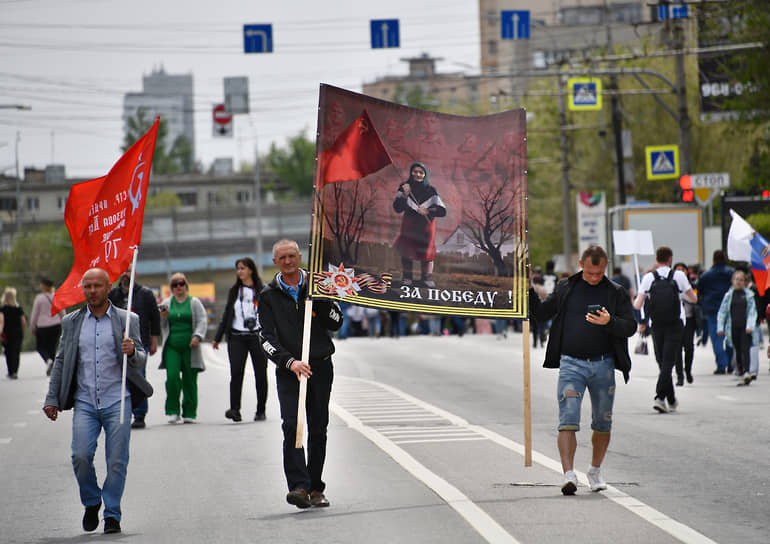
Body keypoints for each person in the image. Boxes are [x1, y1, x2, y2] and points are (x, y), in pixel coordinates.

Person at [43, 268, 151, 534]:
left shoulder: (128, 319)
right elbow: (61, 360)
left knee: (116, 460)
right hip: (85, 402)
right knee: (80, 456)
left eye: (97, 286)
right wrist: (52, 397)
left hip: (118, 400)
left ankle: (112, 513)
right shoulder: (72, 322)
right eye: (87, 286)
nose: (92, 291)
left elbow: (141, 358)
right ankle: (92, 502)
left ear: (107, 287)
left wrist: (132, 352)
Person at [529, 245, 636, 495]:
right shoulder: (567, 287)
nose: (594, 278)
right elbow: (542, 312)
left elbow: (631, 326)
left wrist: (610, 322)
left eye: (598, 273)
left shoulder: (616, 292)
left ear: (605, 266)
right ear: (581, 264)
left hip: (603, 364)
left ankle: (595, 470)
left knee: (602, 422)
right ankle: (568, 475)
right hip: (571, 363)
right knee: (568, 419)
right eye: (589, 272)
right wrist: (529, 291)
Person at [257, 239, 343, 509]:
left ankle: (316, 488)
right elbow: (266, 339)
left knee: (318, 428)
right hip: (290, 371)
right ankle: (299, 486)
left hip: (320, 365)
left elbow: (336, 322)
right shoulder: (268, 295)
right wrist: (290, 362)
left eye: (292, 256)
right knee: (292, 425)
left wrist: (320, 301)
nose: (288, 261)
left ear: (300, 256)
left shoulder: (318, 286)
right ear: (275, 262)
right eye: (282, 258)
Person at [633, 247, 697, 414]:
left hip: (657, 324)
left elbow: (637, 305)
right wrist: (680, 294)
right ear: (670, 259)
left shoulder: (648, 278)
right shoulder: (679, 276)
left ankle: (661, 397)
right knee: (668, 361)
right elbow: (694, 298)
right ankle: (668, 398)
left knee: (662, 361)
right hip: (676, 323)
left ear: (657, 259)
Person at [213, 257, 268, 423]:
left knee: (260, 374)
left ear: (251, 269)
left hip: (257, 336)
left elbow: (269, 313)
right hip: (236, 337)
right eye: (238, 269)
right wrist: (218, 337)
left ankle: (261, 410)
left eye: (242, 268)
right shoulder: (234, 290)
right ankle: (235, 409)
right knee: (236, 373)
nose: (240, 271)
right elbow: (227, 314)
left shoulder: (262, 290)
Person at [109, 269, 161, 429]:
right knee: (116, 378)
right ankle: (118, 412)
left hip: (140, 342)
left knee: (138, 376)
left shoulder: (145, 294)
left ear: (135, 274)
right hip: (116, 344)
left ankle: (139, 414)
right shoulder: (113, 295)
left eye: (129, 271)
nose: (126, 274)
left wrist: (154, 340)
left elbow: (155, 317)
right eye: (124, 271)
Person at [159, 272, 207, 424]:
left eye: (181, 284)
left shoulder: (194, 302)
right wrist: (163, 316)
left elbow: (202, 320)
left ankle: (190, 412)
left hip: (190, 346)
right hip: (172, 346)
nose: (178, 287)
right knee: (172, 377)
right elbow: (162, 326)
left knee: (190, 379)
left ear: (186, 286)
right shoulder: (166, 303)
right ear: (171, 288)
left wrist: (197, 336)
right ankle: (173, 410)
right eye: (175, 284)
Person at [393, 162, 446, 288]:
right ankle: (407, 278)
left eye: (421, 172)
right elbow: (397, 208)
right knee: (407, 250)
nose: (417, 174)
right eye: (415, 171)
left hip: (426, 227)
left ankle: (426, 278)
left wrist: (428, 211)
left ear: (425, 175)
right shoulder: (404, 187)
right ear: (411, 173)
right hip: (409, 224)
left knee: (426, 251)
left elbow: (442, 211)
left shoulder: (431, 190)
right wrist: (405, 195)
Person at [717, 270, 758, 385]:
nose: (738, 282)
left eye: (741, 280)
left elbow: (752, 312)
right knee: (738, 350)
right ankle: (740, 370)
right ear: (733, 281)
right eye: (736, 279)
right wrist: (720, 327)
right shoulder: (729, 295)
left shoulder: (749, 295)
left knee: (745, 349)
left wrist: (750, 325)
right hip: (733, 327)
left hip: (745, 328)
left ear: (745, 282)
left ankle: (746, 372)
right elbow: (722, 312)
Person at [697, 250, 736, 374]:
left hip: (713, 309)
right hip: (730, 308)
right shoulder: (731, 273)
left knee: (716, 338)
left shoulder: (706, 276)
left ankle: (721, 364)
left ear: (713, 259)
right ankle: (731, 364)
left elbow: (700, 290)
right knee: (729, 337)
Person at [29, 278, 65, 376]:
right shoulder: (56, 296)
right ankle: (51, 364)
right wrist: (64, 323)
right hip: (55, 325)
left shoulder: (39, 298)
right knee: (52, 347)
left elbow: (35, 314)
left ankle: (48, 360)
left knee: (40, 346)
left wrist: (32, 326)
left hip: (42, 326)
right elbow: (62, 312)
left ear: (44, 286)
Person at [673, 263, 698, 386]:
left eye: (683, 270)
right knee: (677, 349)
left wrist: (682, 294)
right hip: (676, 320)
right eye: (678, 270)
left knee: (689, 347)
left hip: (689, 319)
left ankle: (688, 370)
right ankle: (679, 376)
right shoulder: (671, 285)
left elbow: (695, 299)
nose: (681, 272)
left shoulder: (691, 285)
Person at [1, 287, 26, 379]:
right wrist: (23, 331)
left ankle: (10, 371)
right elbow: (23, 321)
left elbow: (1, 321)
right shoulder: (18, 308)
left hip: (6, 333)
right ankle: (15, 371)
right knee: (16, 351)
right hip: (17, 332)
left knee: (8, 352)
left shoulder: (2, 309)